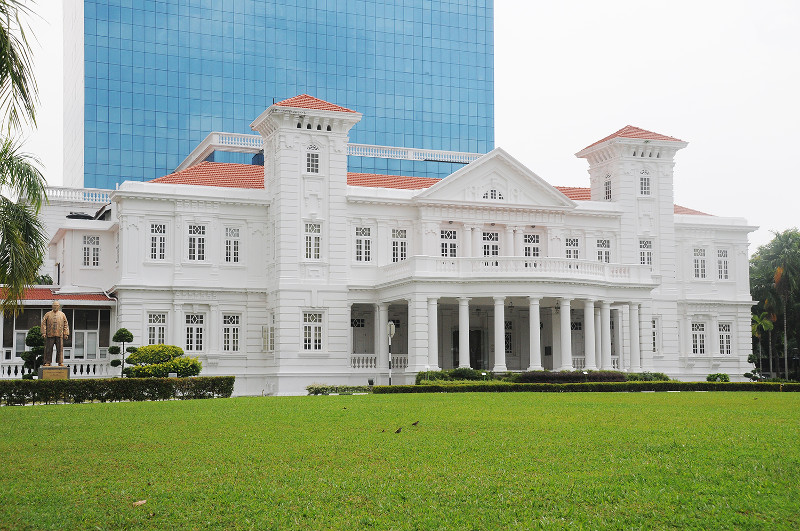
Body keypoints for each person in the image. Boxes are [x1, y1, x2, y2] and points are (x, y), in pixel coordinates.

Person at [41, 301, 70, 366]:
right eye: (54, 305)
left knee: (60, 349)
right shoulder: (48, 314)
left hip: (59, 334)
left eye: (56, 306)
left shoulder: (62, 314)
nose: (55, 307)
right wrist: (44, 332)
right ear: (52, 306)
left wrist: (66, 333)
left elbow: (66, 324)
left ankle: (60, 362)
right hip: (50, 334)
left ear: (59, 306)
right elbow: (43, 323)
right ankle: (47, 362)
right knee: (48, 349)